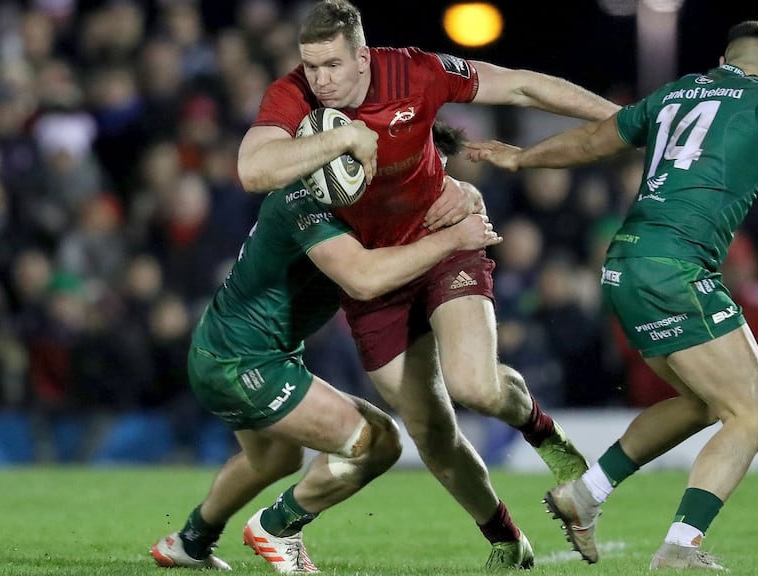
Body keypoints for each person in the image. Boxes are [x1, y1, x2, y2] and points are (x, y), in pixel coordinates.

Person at [466, 20, 758, 570]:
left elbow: (596, 139)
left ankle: (585, 492)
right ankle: (680, 547)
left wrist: (522, 158)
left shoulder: (676, 92)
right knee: (754, 414)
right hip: (676, 267)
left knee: (703, 403)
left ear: (726, 57)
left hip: (625, 264)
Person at [235, 0, 620, 568]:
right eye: (312, 67)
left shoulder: (414, 72)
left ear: (363, 56)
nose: (322, 80)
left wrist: (625, 119)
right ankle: (508, 544)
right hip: (376, 276)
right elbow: (252, 170)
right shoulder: (295, 94)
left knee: (476, 387)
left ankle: (551, 442)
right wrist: (340, 140)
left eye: (334, 66)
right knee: (433, 436)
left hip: (445, 239)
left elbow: (518, 88)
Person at [150, 140, 503, 572]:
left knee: (273, 459)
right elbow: (363, 279)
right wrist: (454, 238)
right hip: (244, 362)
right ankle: (277, 528)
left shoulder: (335, 189)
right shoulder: (307, 203)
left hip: (234, 349)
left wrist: (464, 191)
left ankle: (189, 542)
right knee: (376, 443)